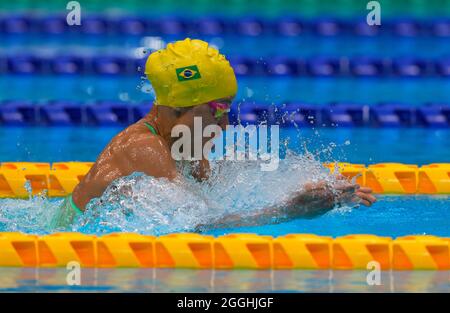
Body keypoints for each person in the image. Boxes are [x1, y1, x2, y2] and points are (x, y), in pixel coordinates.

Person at [51, 38, 376, 229]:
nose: (224, 126)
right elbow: (197, 224)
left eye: (226, 112)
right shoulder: (143, 148)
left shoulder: (183, 143)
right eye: (215, 113)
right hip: (65, 240)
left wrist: (306, 191)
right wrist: (291, 210)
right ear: (177, 107)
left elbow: (211, 198)